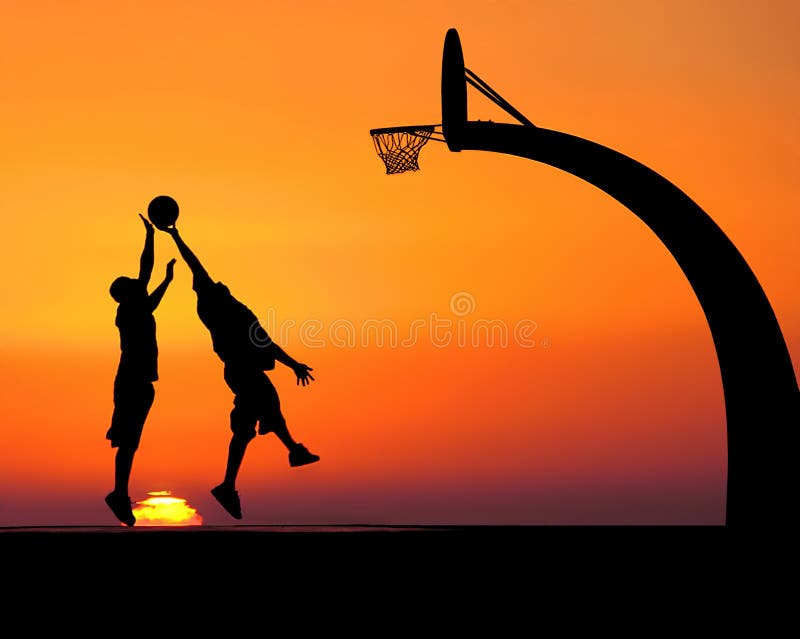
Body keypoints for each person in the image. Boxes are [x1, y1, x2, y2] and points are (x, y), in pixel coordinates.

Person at [162, 224, 319, 520]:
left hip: (243, 371)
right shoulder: (214, 303)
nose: (220, 282)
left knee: (256, 420)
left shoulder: (235, 308)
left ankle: (277, 460)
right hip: (241, 371)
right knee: (260, 415)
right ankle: (287, 454)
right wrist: (176, 236)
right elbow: (195, 264)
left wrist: (294, 364)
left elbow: (267, 343)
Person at [105, 214, 175, 526]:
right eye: (133, 285)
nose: (138, 283)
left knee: (129, 443)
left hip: (137, 382)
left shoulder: (137, 307)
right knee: (128, 441)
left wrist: (167, 281)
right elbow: (145, 269)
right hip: (133, 381)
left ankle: (120, 493)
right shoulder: (130, 308)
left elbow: (151, 297)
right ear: (125, 294)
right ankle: (119, 493)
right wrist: (150, 236)